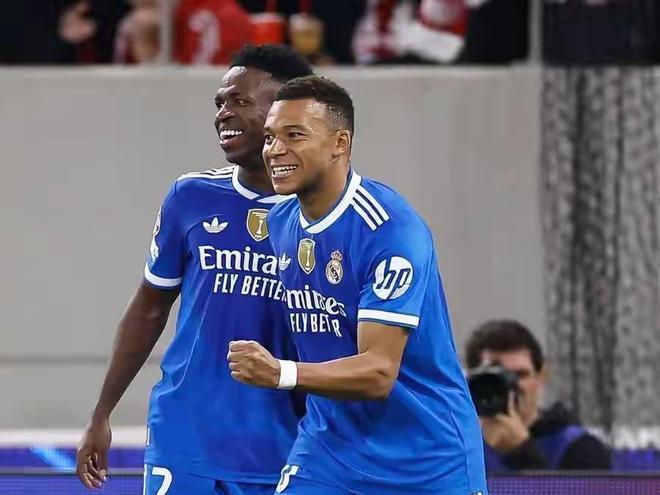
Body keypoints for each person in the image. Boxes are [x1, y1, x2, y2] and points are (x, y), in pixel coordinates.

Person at [227, 75, 487, 495]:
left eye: (294, 135)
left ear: (340, 143)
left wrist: (281, 373)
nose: (274, 150)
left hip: (426, 461)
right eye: (271, 136)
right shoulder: (281, 222)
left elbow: (379, 371)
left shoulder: (390, 230)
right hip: (329, 452)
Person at [75, 45, 313, 494]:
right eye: (220, 102)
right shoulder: (191, 196)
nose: (223, 113)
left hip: (287, 448)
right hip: (184, 441)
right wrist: (102, 412)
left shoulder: (327, 218)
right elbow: (149, 307)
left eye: (240, 101)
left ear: (286, 112)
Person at [465, 319, 611, 471]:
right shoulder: (457, 445)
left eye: (520, 375)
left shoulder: (580, 448)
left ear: (541, 376)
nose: (510, 386)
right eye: (495, 377)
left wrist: (522, 453)